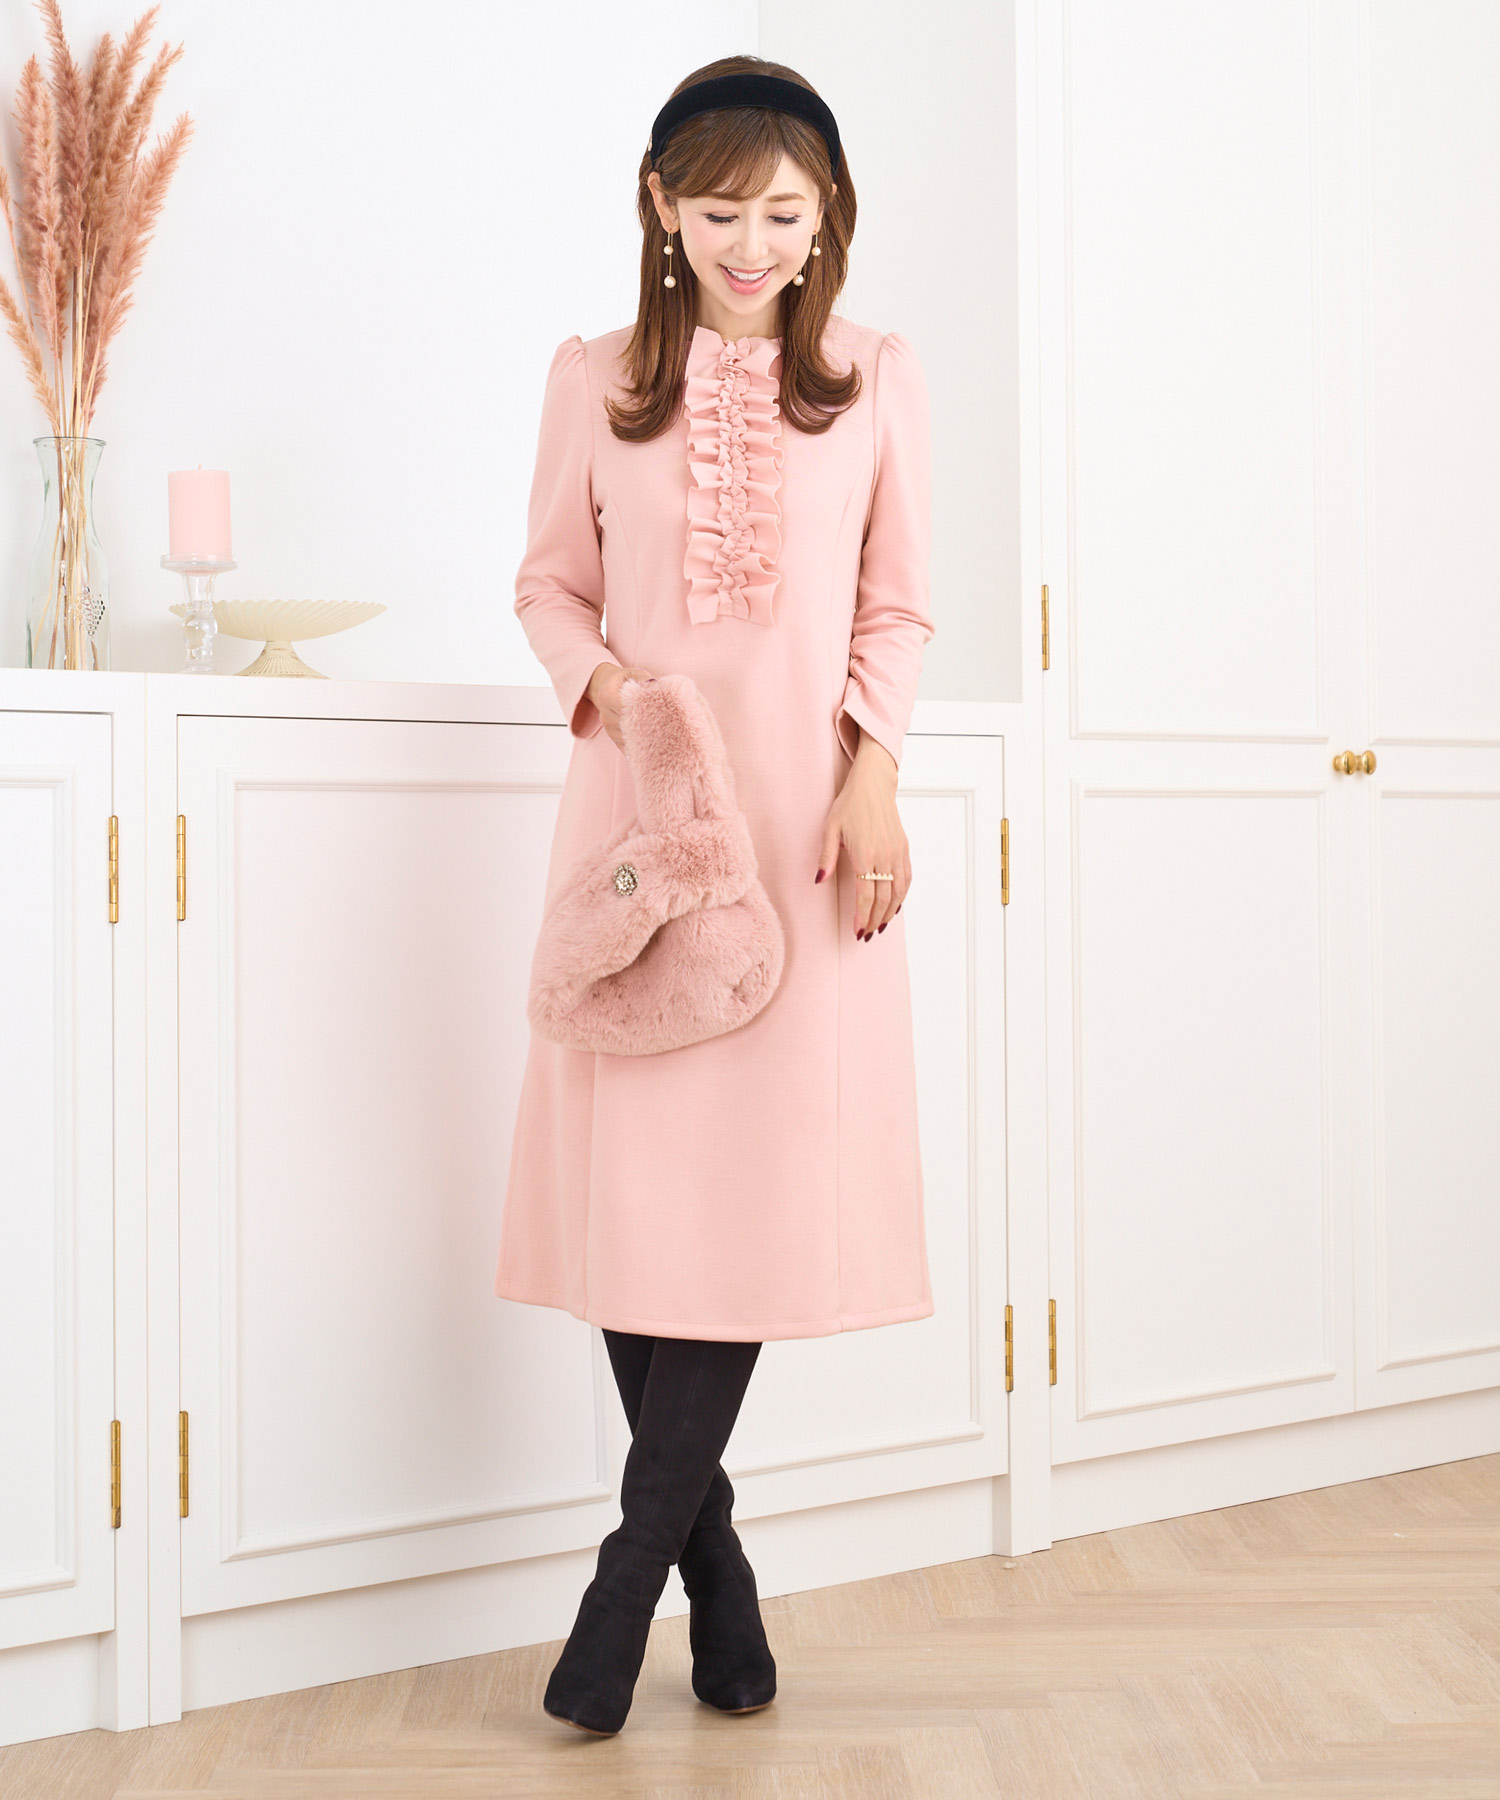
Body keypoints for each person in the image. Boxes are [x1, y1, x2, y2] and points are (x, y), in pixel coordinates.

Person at [496, 54, 936, 1736]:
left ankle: (626, 1588)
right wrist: (614, 698)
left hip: (806, 835)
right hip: (641, 828)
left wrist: (873, 773)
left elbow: (896, 607)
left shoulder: (875, 378)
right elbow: (548, 586)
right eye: (723, 210)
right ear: (661, 209)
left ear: (828, 220)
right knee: (641, 1204)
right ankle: (720, 1581)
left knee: (746, 1207)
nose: (755, 245)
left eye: (786, 214)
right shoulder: (595, 379)